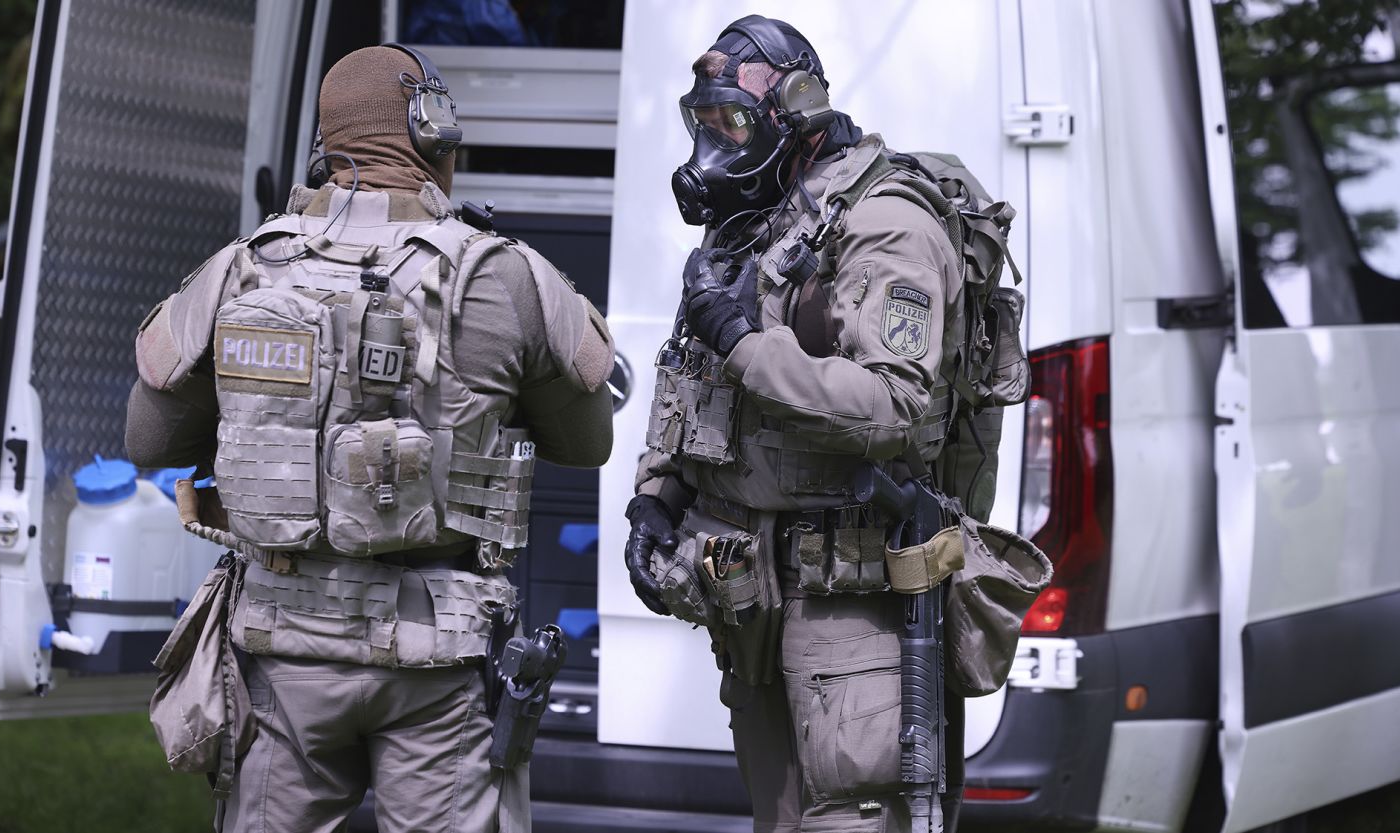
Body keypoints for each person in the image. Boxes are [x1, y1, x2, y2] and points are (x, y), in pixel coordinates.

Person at [126, 44, 615, 833]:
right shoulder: (504, 276)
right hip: (436, 655)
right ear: (435, 140)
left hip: (281, 651)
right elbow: (587, 442)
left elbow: (148, 439)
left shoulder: (242, 269)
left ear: (325, 151)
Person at [625, 15, 1004, 833]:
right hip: (754, 602)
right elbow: (693, 377)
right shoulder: (763, 220)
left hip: (858, 618)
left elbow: (892, 405)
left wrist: (743, 342)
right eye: (705, 121)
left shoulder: (886, 223)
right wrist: (656, 495)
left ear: (794, 112)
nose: (716, 142)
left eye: (735, 120)